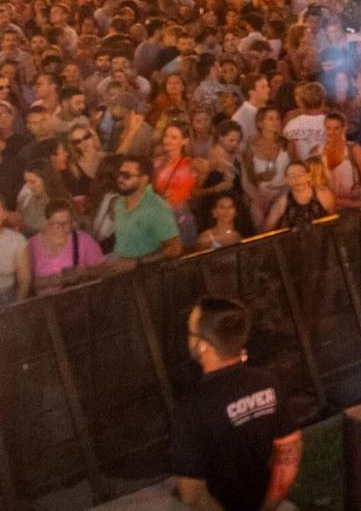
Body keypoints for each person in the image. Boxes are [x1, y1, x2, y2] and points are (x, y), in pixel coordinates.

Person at [171, 297, 301, 511]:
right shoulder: (267, 382)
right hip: (262, 502)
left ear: (202, 345)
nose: (188, 338)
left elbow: (192, 495)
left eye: (190, 331)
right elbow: (289, 452)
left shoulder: (191, 408)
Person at [95, 154, 184, 265]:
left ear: (144, 179)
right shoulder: (119, 203)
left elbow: (175, 248)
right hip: (122, 271)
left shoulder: (155, 207)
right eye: (119, 174)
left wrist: (137, 262)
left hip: (147, 274)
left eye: (126, 175)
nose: (119, 179)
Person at [28, 200, 107, 290]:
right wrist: (53, 280)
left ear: (72, 221)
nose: (61, 228)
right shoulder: (32, 245)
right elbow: (26, 282)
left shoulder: (83, 240)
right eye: (56, 223)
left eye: (66, 223)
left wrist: (83, 273)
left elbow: (102, 269)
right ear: (47, 222)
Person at [265, 161, 335, 231]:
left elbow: (334, 221)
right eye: (292, 175)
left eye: (300, 175)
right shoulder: (281, 203)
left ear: (308, 176)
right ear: (287, 180)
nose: (296, 179)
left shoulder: (323, 195)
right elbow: (265, 231)